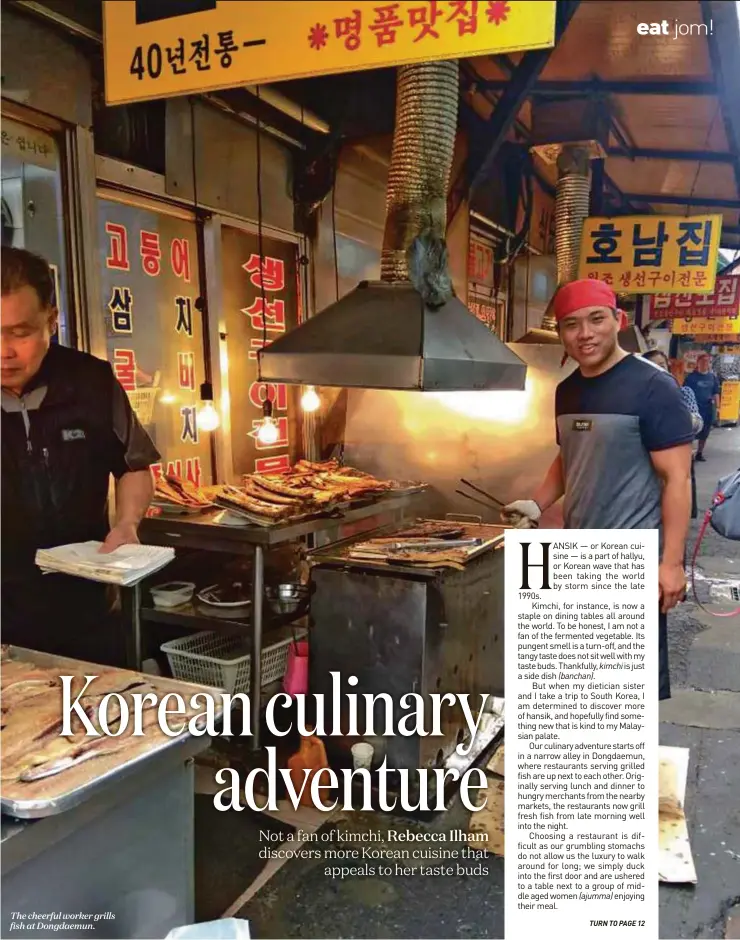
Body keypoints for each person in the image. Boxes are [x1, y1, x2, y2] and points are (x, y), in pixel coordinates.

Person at [502, 278, 694, 701]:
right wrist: (536, 503)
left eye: (596, 320)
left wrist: (671, 565)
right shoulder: (567, 390)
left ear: (618, 321)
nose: (585, 334)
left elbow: (677, 479)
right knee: (575, 687)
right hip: (576, 556)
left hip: (629, 558)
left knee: (621, 694)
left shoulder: (652, 386)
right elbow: (568, 458)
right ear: (561, 335)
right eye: (571, 325)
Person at [1, 247, 160, 664]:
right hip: (3, 614)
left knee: (101, 718)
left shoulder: (89, 381)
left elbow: (132, 465)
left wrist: (127, 523)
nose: (4, 351)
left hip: (85, 604)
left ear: (52, 321)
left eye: (20, 332)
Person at [642, 348, 702, 519]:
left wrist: (675, 415)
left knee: (676, 504)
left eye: (661, 365)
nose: (658, 370)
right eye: (652, 366)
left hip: (677, 459)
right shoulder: (638, 396)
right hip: (647, 461)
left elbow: (698, 423)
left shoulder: (683, 392)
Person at [683, 353, 720, 461]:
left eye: (707, 361)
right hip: (693, 409)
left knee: (704, 432)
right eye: (703, 361)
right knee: (691, 431)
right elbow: (685, 392)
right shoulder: (691, 377)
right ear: (698, 363)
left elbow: (716, 393)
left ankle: (699, 453)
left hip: (707, 409)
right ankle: (689, 453)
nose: (705, 363)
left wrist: (717, 408)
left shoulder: (712, 377)